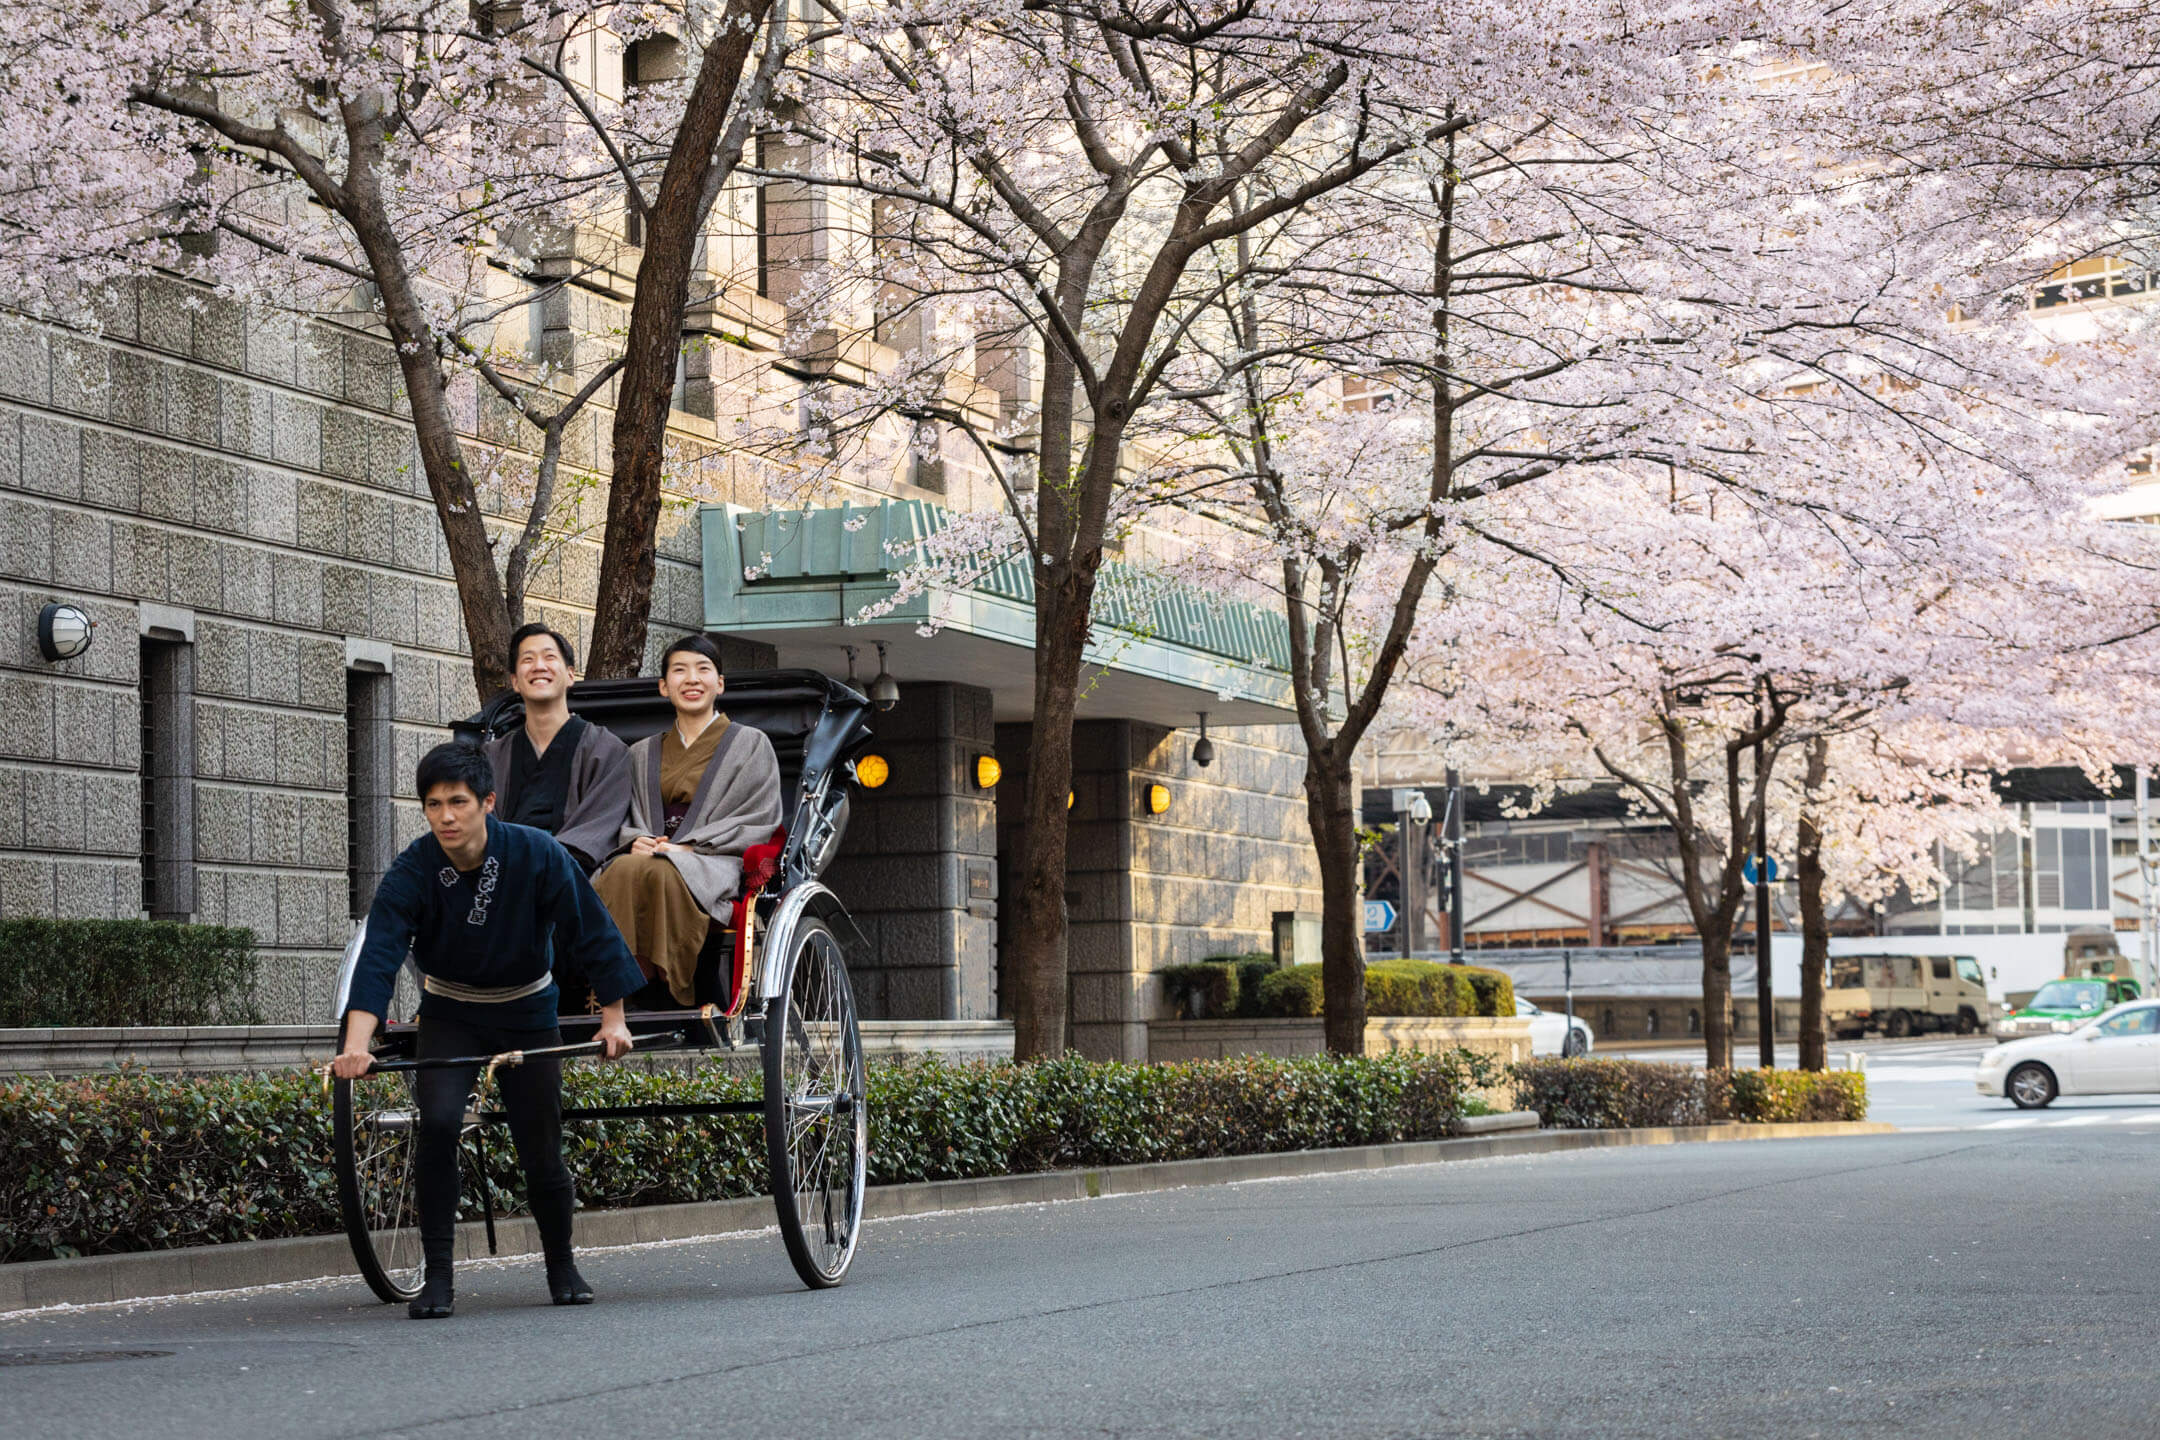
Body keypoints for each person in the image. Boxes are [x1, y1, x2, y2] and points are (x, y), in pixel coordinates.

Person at [331, 742, 645, 1320]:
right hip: (451, 1011)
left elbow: (590, 928)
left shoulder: (535, 853)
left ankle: (561, 1263)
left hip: (527, 1010)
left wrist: (614, 1017)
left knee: (539, 1140)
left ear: (487, 803)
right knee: (440, 1124)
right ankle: (439, 1277)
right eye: (433, 805)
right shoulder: (414, 868)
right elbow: (378, 955)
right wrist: (355, 1046)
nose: (445, 817)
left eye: (457, 802)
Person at [592, 635, 783, 1005]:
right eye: (679, 671)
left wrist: (687, 846)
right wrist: (636, 839)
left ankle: (660, 978)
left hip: (713, 860)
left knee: (663, 870)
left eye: (703, 670)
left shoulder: (751, 744)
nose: (691, 679)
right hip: (650, 852)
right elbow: (621, 814)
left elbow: (759, 816)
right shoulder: (640, 752)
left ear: (720, 683)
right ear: (664, 686)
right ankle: (623, 979)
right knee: (620, 870)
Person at [482, 623, 632, 873]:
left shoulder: (607, 750)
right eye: (528, 659)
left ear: (570, 675)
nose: (539, 666)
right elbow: (480, 823)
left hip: (573, 878)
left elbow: (600, 826)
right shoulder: (492, 756)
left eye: (549, 657)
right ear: (515, 681)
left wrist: (544, 860)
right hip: (503, 874)